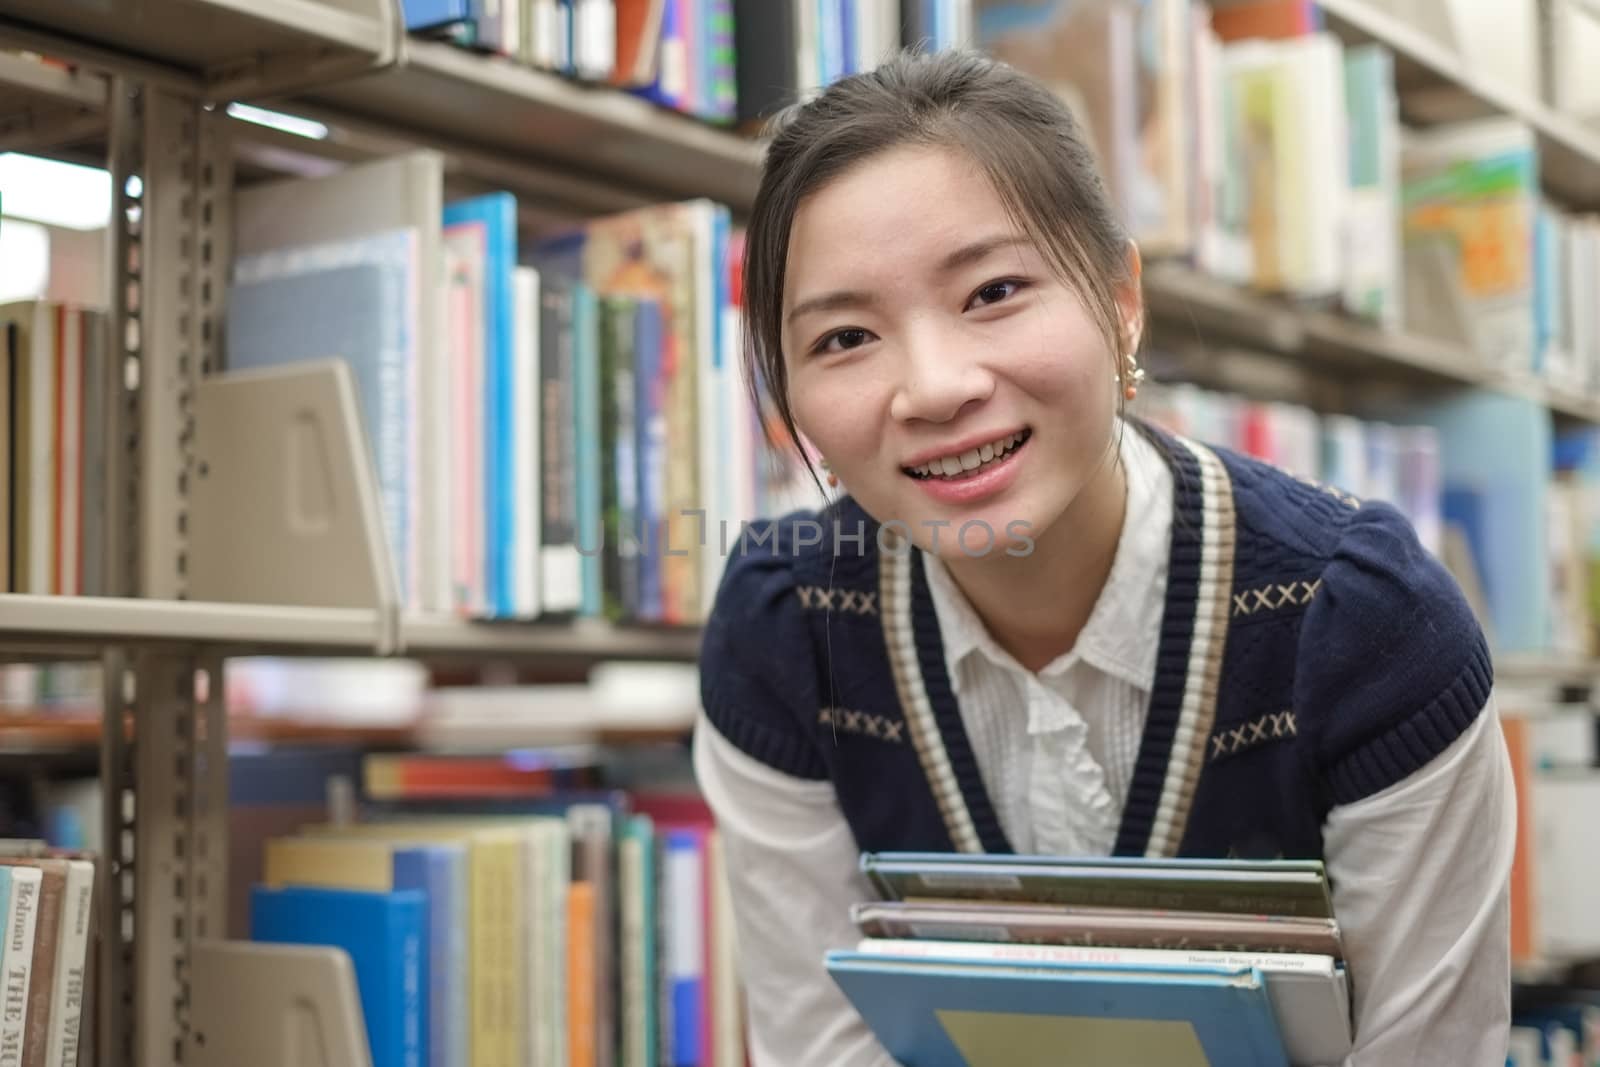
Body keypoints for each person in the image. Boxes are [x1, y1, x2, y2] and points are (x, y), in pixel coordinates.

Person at [692, 47, 1515, 1067]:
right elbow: (822, 1043)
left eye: (992, 289)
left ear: (1120, 297)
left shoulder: (1362, 623)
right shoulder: (783, 625)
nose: (934, 386)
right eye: (844, 338)